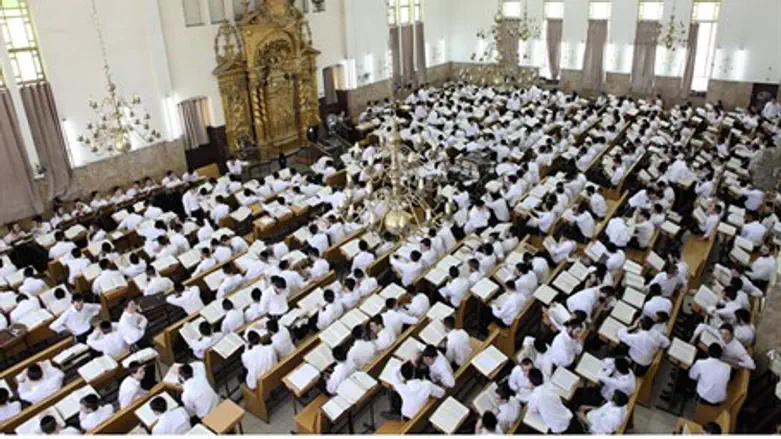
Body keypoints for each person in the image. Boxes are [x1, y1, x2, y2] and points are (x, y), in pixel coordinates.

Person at [526, 368, 575, 434]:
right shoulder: (550, 385)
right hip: (566, 417)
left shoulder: (534, 396)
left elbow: (533, 409)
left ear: (531, 383)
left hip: (557, 427)